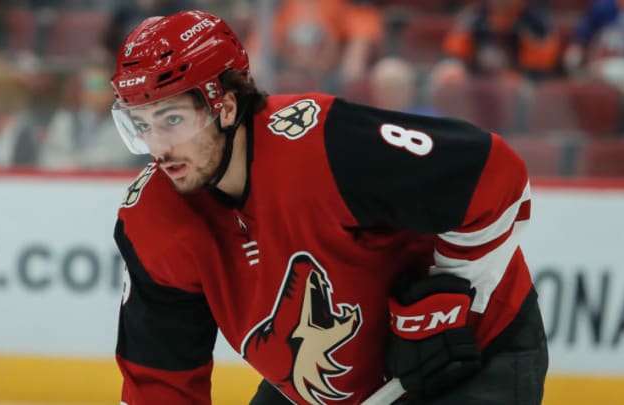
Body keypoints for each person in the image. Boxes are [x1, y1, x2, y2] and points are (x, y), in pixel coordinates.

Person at [110, 10, 548, 405]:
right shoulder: (152, 219)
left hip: (469, 358)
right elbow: (160, 382)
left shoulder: (324, 145)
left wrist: (450, 302)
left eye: (171, 120)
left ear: (224, 107)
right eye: (142, 125)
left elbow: (494, 172)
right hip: (325, 390)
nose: (158, 148)